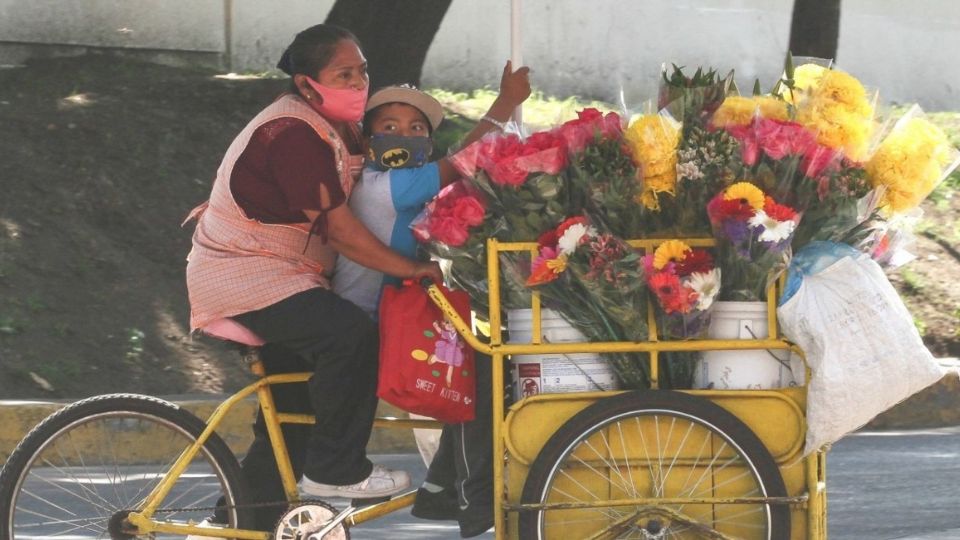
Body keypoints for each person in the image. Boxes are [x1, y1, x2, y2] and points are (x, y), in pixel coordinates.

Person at [183, 24, 443, 532]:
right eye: (343, 74)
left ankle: (241, 524)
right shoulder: (292, 134)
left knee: (295, 415)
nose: (359, 83)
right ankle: (337, 471)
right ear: (307, 85)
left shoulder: (335, 128)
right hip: (248, 277)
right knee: (350, 337)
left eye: (362, 71)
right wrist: (412, 269)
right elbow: (342, 232)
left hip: (285, 276)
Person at [331, 65, 530, 538]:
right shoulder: (384, 187)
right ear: (368, 139)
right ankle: (469, 493)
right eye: (390, 128)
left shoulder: (405, 187)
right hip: (371, 323)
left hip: (399, 314)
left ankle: (443, 487)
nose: (405, 135)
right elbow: (461, 160)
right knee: (481, 367)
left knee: (479, 362)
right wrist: (505, 104)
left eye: (416, 129)